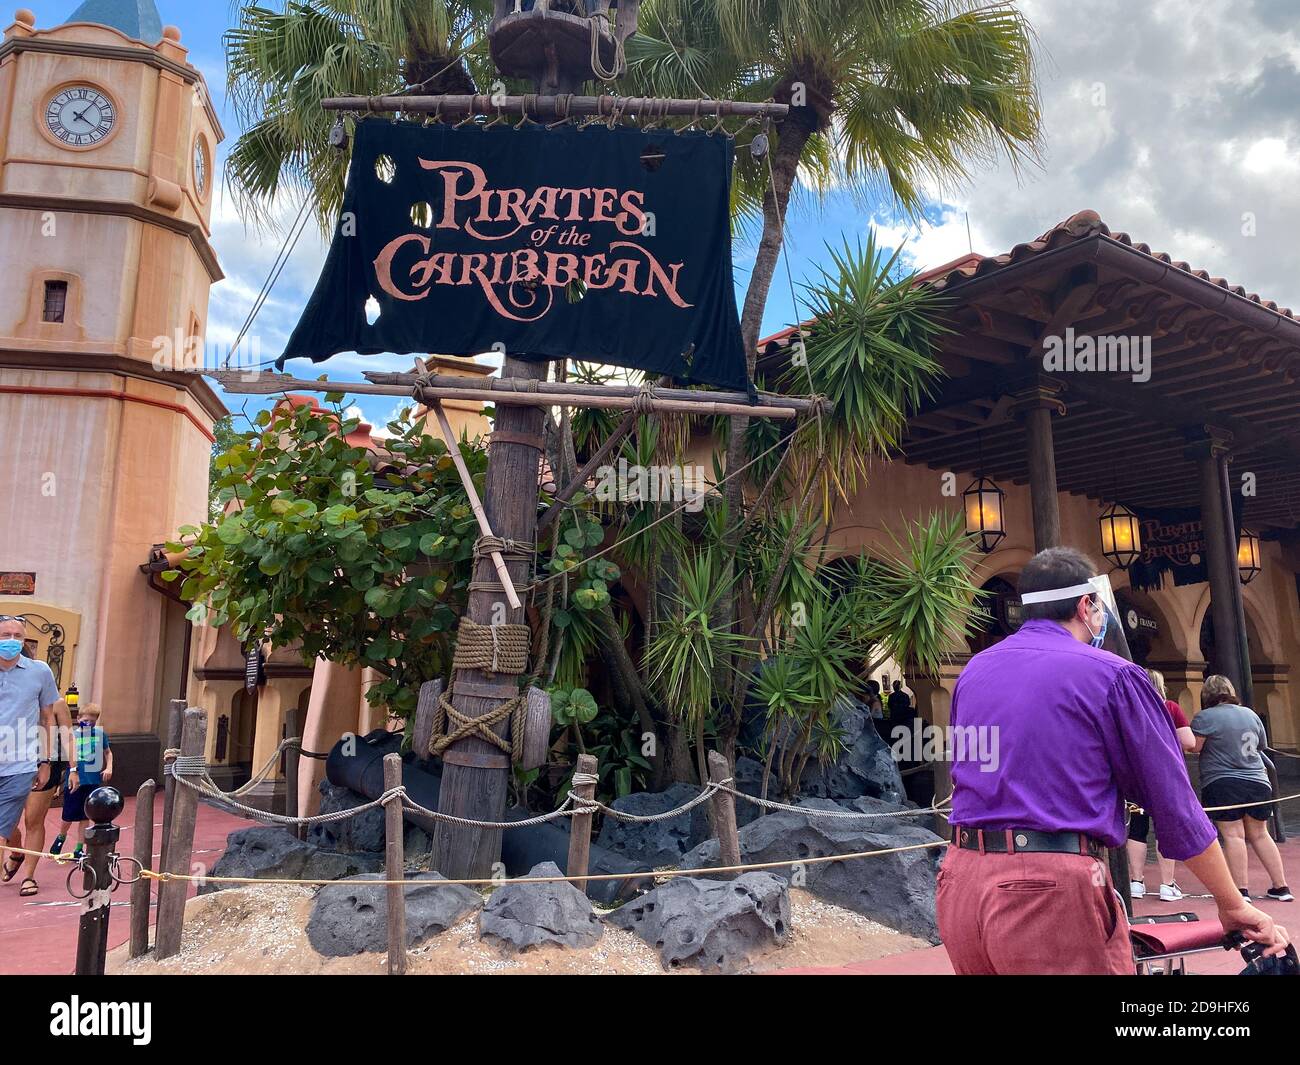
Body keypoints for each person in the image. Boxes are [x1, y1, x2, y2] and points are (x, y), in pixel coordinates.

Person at [936, 547, 1289, 975]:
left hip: (961, 880)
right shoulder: (1111, 674)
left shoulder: (975, 671)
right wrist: (1232, 903)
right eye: (1099, 606)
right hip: (1046, 889)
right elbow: (1173, 801)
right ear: (1086, 604)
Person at [1192, 674, 1292, 903]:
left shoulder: (1205, 718)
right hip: (1258, 780)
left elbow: (1195, 747)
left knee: (1233, 835)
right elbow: (1261, 746)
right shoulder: (1251, 714)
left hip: (1223, 781)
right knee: (1260, 834)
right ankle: (1281, 886)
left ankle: (1242, 891)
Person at [0, 616, 61, 898]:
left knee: (31, 819)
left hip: (26, 762)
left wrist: (48, 761)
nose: (11, 641)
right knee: (7, 826)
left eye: (17, 636)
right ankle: (17, 850)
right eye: (5, 634)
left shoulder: (40, 672)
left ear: (24, 641)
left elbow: (51, 718)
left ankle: (29, 876)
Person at [1126, 668, 1196, 902]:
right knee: (1165, 828)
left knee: (1137, 826)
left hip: (1136, 774)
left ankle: (1136, 882)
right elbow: (1189, 741)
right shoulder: (1171, 708)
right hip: (1167, 774)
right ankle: (1167, 884)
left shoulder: (1132, 708)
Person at [50, 702, 112, 861]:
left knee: (86, 815)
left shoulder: (99, 735)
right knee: (68, 814)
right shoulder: (72, 736)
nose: (89, 724)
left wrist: (109, 767)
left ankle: (79, 848)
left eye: (92, 721)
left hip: (92, 780)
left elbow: (107, 752)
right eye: (86, 721)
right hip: (76, 779)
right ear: (78, 719)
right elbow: (65, 761)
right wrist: (60, 782)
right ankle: (61, 837)